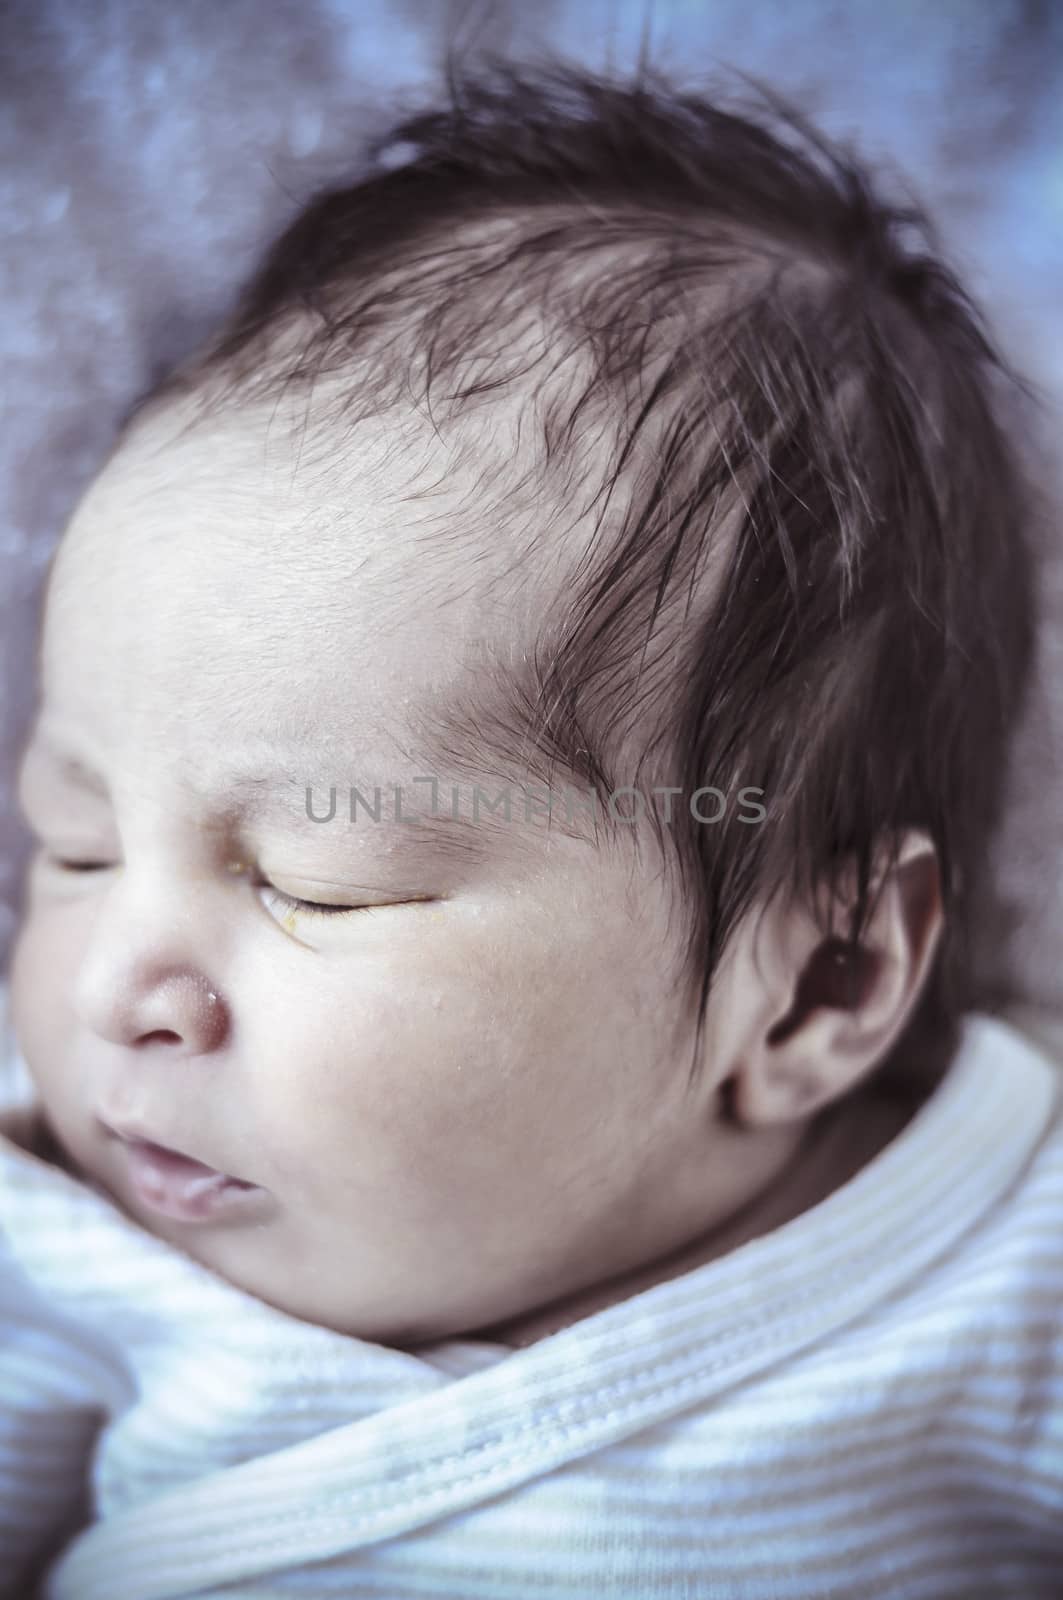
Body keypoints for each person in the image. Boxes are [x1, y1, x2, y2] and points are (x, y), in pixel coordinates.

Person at [1, 57, 1061, 1600]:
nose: (115, 991)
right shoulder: (57, 1245)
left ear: (820, 982)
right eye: (73, 847)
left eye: (320, 884)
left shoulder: (1006, 1267)